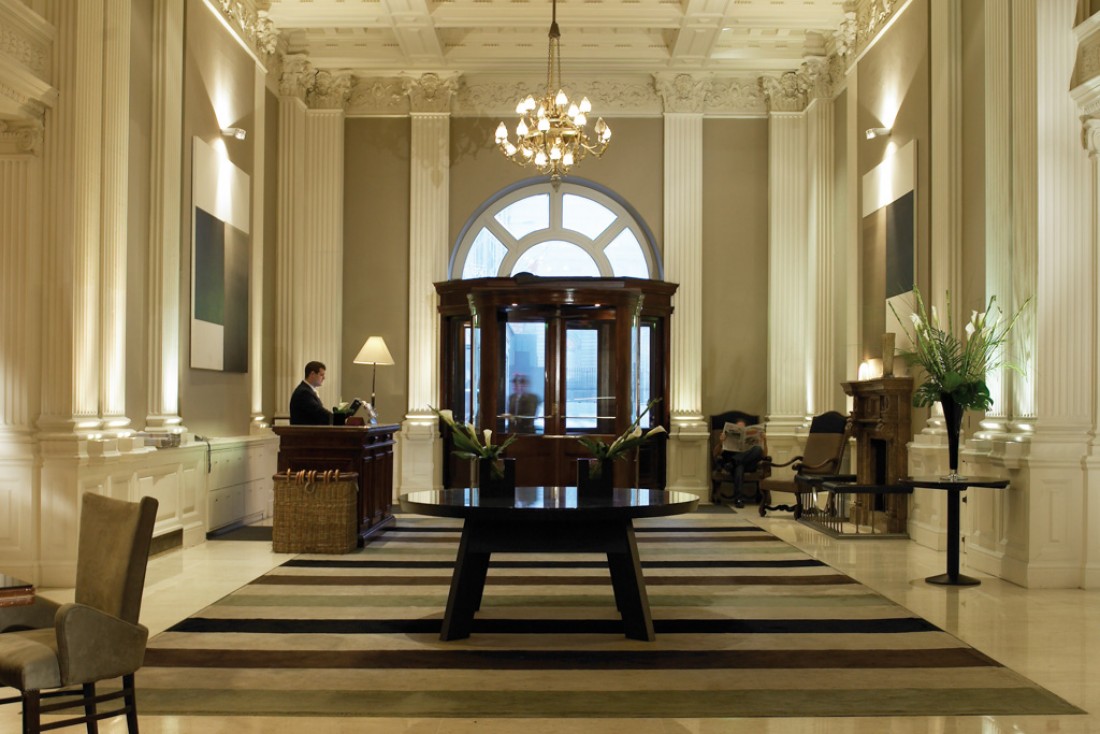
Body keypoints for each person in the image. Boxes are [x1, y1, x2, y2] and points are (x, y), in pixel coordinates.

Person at [715, 420, 766, 508]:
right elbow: (715, 454)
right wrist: (721, 442)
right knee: (739, 467)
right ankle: (738, 499)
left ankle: (733, 462)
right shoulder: (725, 438)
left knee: (757, 449)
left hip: (747, 465)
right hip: (737, 466)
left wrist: (764, 440)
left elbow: (764, 455)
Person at [290, 361, 333, 426]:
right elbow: (319, 413)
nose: (324, 378)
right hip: (305, 434)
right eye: (321, 375)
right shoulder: (304, 392)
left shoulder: (307, 390)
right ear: (312, 374)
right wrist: (339, 419)